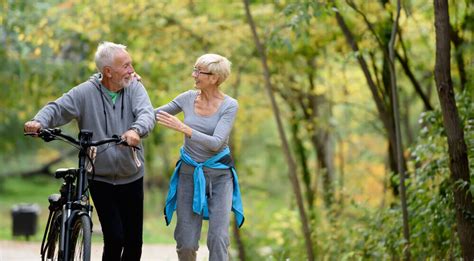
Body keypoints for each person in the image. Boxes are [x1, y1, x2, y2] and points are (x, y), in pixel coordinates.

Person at [24, 41, 155, 260]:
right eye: (126, 65)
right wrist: (38, 121)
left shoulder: (134, 87)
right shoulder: (85, 92)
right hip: (99, 176)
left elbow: (147, 114)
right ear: (108, 72)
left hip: (131, 174)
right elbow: (58, 108)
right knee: (114, 238)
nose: (132, 70)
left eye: (130, 64)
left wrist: (136, 130)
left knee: (134, 242)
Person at [156, 53, 244, 261]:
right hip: (189, 174)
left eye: (198, 71)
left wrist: (184, 128)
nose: (193, 74)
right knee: (186, 243)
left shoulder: (229, 105)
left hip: (220, 177)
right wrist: (133, 91)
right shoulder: (187, 98)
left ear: (214, 78)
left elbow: (217, 142)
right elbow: (153, 114)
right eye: (194, 69)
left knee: (218, 239)